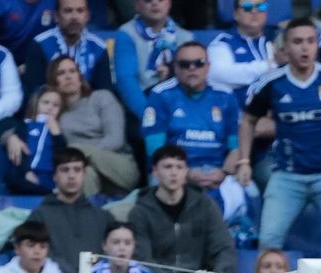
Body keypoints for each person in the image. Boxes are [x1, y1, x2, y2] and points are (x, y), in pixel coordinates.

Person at [241, 19, 321, 252]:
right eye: (298, 42)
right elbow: (248, 120)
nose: (305, 48)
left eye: (310, 41)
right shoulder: (272, 83)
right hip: (287, 177)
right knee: (268, 241)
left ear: (317, 46)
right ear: (286, 48)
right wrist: (244, 161)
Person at [141, 42, 247, 217]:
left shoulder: (225, 96)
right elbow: (156, 152)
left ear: (208, 66)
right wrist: (187, 173)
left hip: (218, 171)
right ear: (175, 67)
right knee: (158, 180)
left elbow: (236, 147)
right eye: (184, 64)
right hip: (176, 171)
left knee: (251, 191)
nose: (192, 68)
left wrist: (223, 172)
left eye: (199, 63)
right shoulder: (160, 95)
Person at [128, 145, 238, 273]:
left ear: (186, 172)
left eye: (179, 167)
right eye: (167, 167)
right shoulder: (140, 211)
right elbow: (141, 256)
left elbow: (223, 246)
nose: (174, 173)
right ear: (155, 171)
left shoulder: (204, 204)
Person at [36, 53, 138, 196]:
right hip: (83, 170)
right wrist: (10, 137)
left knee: (73, 150)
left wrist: (80, 155)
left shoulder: (101, 97)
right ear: (54, 82)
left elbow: (115, 139)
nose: (68, 76)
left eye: (72, 71)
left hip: (118, 164)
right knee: (84, 174)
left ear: (80, 77)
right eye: (61, 73)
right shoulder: (54, 113)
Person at [26, 146, 116, 273]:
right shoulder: (39, 216)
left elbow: (113, 255)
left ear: (84, 174)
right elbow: (39, 255)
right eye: (65, 170)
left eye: (77, 170)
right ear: (55, 176)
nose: (72, 176)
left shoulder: (104, 217)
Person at [112, 0, 192, 117]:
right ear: (137, 5)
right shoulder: (126, 34)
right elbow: (126, 80)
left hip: (179, 103)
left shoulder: (185, 37)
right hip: (143, 103)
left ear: (169, 3)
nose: (155, 3)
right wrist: (148, 115)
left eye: (160, 0)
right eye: (148, 0)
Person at [23, 0, 108, 93]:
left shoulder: (99, 47)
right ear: (56, 16)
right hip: (52, 105)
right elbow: (35, 91)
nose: (74, 17)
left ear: (87, 16)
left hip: (88, 105)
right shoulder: (40, 44)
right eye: (68, 11)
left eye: (80, 11)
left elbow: (104, 92)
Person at [206, 0, 278, 104]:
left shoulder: (278, 38)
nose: (254, 11)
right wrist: (267, 66)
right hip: (238, 114)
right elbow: (216, 74)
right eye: (247, 7)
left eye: (260, 7)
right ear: (236, 14)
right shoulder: (223, 42)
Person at [2, 86, 63, 195]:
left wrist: (57, 134)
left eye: (55, 105)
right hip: (24, 173)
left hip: (47, 174)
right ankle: (49, 193)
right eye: (46, 102)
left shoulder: (58, 130)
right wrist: (26, 172)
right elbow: (18, 152)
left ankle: (48, 191)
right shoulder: (24, 125)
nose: (50, 107)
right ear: (36, 103)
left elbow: (62, 154)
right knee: (12, 179)